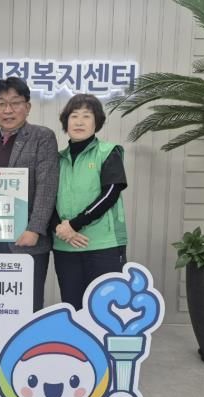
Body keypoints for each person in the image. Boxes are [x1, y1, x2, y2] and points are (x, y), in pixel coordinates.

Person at [0, 77, 59, 312]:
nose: (8, 110)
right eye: (1, 104)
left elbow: (47, 185)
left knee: (27, 305)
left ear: (27, 107)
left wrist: (34, 229)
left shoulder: (42, 137)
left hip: (27, 238)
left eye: (15, 103)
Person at [52, 93, 128, 310]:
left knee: (106, 309)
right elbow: (46, 198)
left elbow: (110, 193)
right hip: (65, 245)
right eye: (74, 116)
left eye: (86, 116)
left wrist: (74, 225)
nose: (79, 122)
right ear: (66, 122)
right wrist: (60, 228)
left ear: (97, 122)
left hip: (103, 245)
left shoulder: (108, 152)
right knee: (73, 307)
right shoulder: (57, 159)